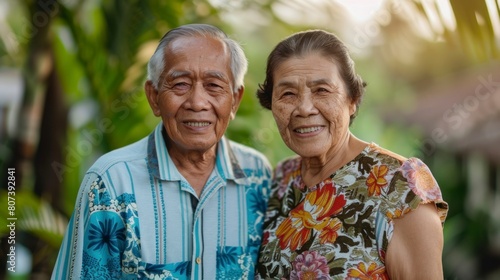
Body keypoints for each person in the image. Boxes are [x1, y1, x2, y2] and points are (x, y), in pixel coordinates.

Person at [51, 23, 271, 279]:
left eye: (213, 85)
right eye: (180, 85)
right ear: (154, 97)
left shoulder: (258, 175)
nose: (197, 102)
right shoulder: (110, 182)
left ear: (235, 100)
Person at [254, 29, 448, 279]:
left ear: (352, 99)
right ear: (271, 104)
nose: (304, 108)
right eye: (288, 94)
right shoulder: (279, 181)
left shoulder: (400, 185)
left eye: (322, 90)